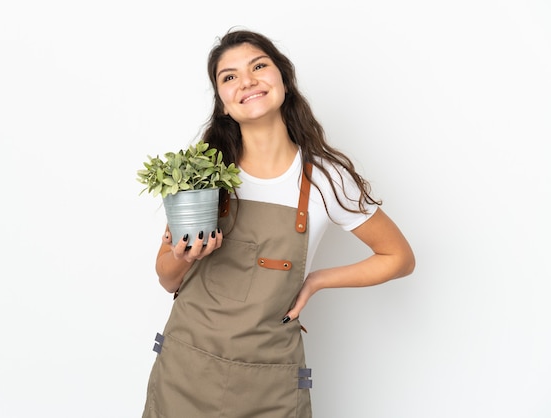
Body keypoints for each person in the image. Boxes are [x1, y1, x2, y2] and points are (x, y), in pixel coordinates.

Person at [141, 29, 415, 418]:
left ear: (283, 78)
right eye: (229, 77)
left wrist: (317, 280)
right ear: (222, 103)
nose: (247, 81)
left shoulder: (327, 179)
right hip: (185, 373)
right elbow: (167, 278)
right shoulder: (202, 174)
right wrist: (183, 257)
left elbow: (399, 257)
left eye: (258, 66)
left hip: (269, 386)